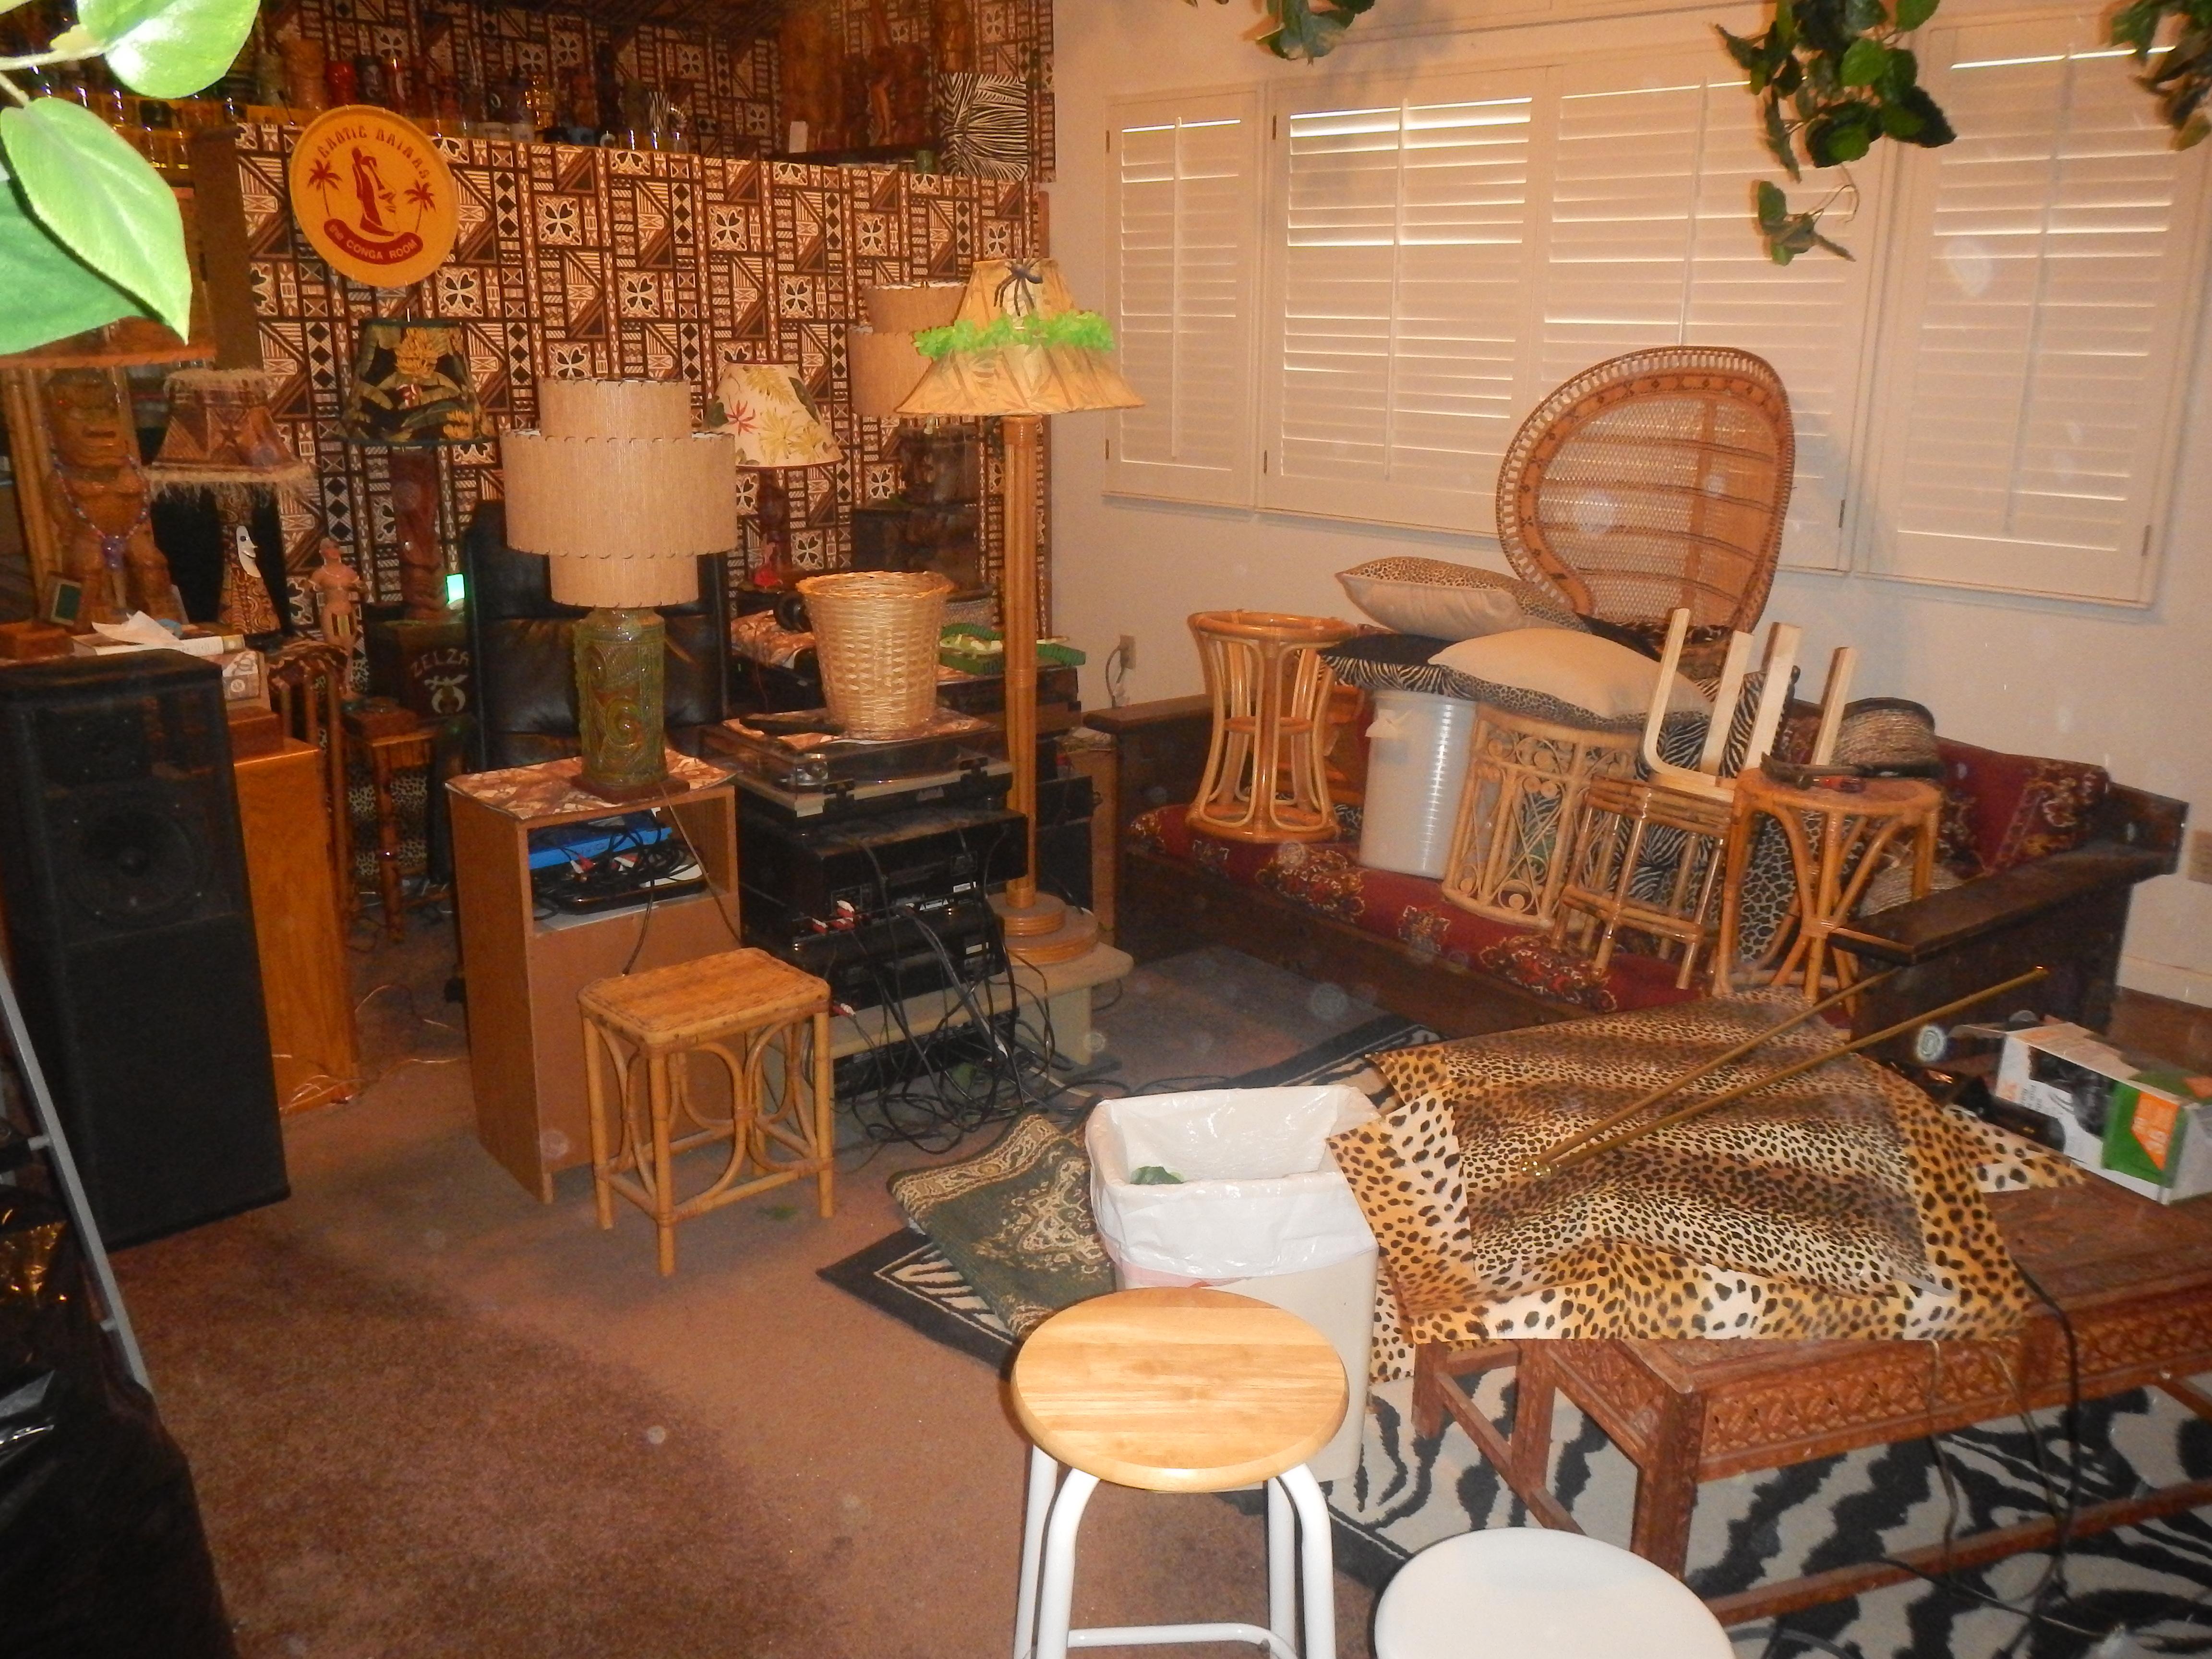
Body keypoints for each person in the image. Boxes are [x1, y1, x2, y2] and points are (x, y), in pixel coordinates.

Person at [38, 369, 181, 626]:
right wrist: (72, 529)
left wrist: (138, 525)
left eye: (107, 410)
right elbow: (59, 506)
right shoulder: (62, 477)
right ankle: (90, 615)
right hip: (88, 534)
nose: (99, 426)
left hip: (131, 530)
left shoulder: (131, 471)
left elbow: (143, 499)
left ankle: (160, 609)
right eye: (77, 412)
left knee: (151, 562)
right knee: (88, 567)